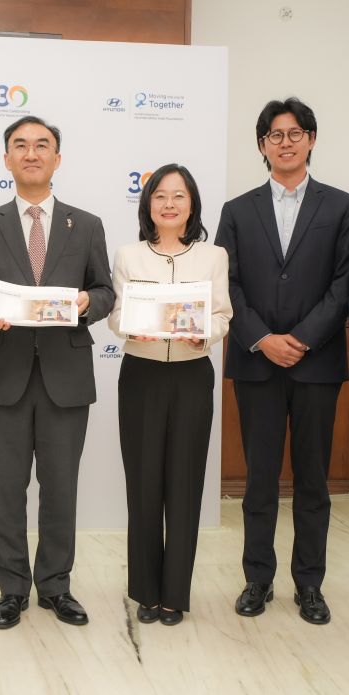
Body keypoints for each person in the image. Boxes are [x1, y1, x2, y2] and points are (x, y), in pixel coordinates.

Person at [215, 98, 349, 625]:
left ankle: (309, 584)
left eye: (295, 133)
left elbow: (348, 281)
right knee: (259, 479)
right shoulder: (237, 210)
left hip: (316, 363)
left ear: (311, 139)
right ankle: (257, 579)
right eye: (275, 135)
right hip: (256, 363)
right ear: (262, 145)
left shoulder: (342, 207)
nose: (285, 142)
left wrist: (300, 338)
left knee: (312, 480)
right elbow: (226, 282)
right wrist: (261, 338)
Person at [0, 116, 113, 629]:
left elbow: (105, 290)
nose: (31, 153)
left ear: (57, 158)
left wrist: (89, 302)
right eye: (20, 146)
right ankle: (11, 589)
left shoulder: (85, 224)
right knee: (6, 490)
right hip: (5, 374)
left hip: (66, 377)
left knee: (61, 488)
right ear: (6, 159)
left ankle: (55, 586)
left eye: (42, 145)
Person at [107, 164, 232, 625]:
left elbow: (222, 315)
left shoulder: (213, 256)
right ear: (148, 204)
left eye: (179, 196)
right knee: (143, 485)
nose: (169, 204)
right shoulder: (128, 255)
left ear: (192, 204)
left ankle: (175, 593)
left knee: (185, 484)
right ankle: (145, 591)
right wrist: (133, 324)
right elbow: (114, 315)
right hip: (140, 375)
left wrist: (205, 334)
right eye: (160, 196)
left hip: (191, 375)